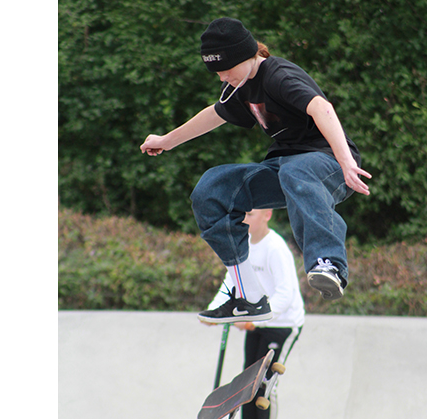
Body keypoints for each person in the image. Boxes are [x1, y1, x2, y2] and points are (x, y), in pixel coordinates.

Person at [140, 17, 371, 323]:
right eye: (217, 73)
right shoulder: (240, 85)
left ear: (247, 55)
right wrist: (167, 141)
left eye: (227, 69)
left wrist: (346, 162)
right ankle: (247, 295)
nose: (223, 77)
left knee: (296, 171)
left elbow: (322, 108)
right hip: (285, 167)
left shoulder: (279, 75)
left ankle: (329, 262)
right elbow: (215, 115)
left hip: (327, 162)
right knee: (212, 188)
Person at [201, 209, 304, 419]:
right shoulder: (243, 246)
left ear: (267, 215)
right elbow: (232, 281)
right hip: (256, 323)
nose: (245, 219)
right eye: (243, 215)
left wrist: (254, 321)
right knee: (246, 387)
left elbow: (285, 295)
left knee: (265, 388)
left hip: (282, 325)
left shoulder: (275, 248)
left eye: (251, 214)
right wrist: (214, 310)